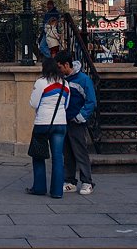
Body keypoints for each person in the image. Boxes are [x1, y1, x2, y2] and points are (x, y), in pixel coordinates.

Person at [55, 50, 97, 195]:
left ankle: (87, 181)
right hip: (64, 120)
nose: (59, 70)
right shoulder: (62, 79)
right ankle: (70, 181)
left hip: (76, 121)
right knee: (67, 152)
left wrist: (81, 116)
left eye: (60, 67)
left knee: (80, 152)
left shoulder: (83, 80)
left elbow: (91, 101)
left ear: (67, 65)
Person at [26, 57, 69, 199]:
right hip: (61, 123)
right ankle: (57, 191)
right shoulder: (65, 83)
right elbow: (66, 104)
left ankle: (39, 187)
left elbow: (33, 103)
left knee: (38, 155)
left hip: (43, 123)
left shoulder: (41, 82)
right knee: (58, 158)